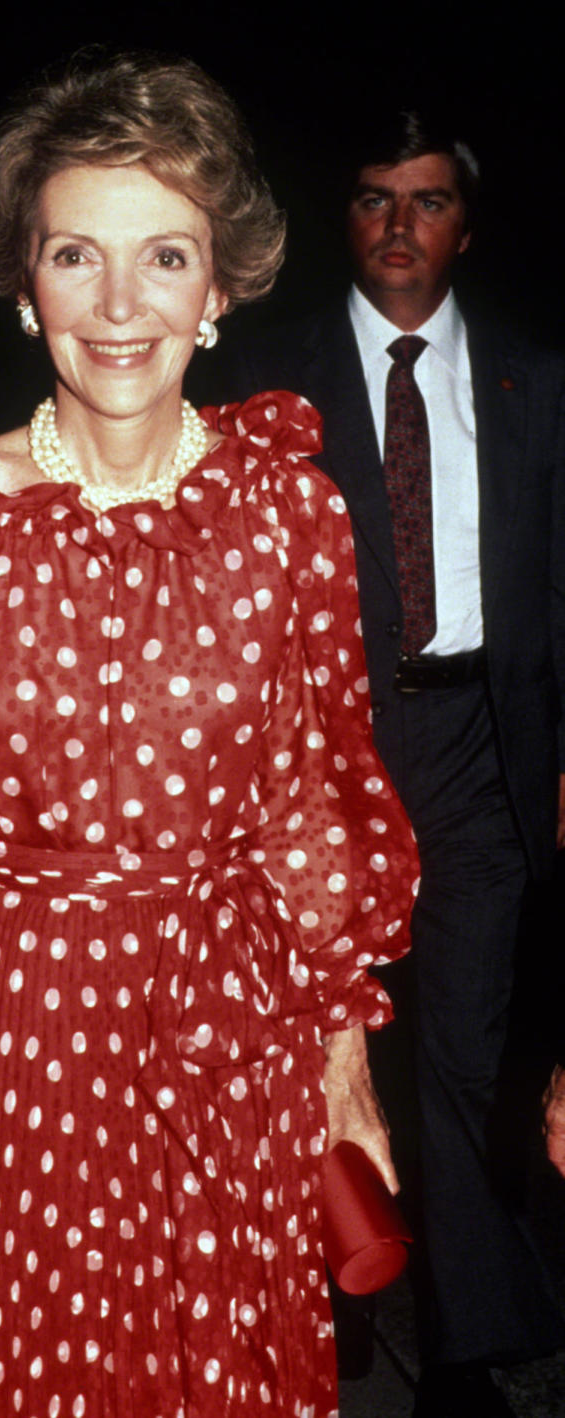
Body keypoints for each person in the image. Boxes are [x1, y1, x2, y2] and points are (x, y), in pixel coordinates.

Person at [0, 54, 418, 1417]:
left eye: (163, 256)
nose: (119, 306)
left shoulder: (286, 516)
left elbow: (314, 806)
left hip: (223, 1036)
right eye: (76, 255)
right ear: (21, 283)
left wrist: (342, 1071)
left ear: (219, 286)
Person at [232, 112, 565, 1416]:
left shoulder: (534, 383)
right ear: (345, 218)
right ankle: (326, 1285)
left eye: (423, 202)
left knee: (462, 1057)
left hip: (479, 746)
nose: (395, 225)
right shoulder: (271, 381)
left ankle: (465, 1344)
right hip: (318, 760)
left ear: (461, 227)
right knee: (307, 1050)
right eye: (372, 198)